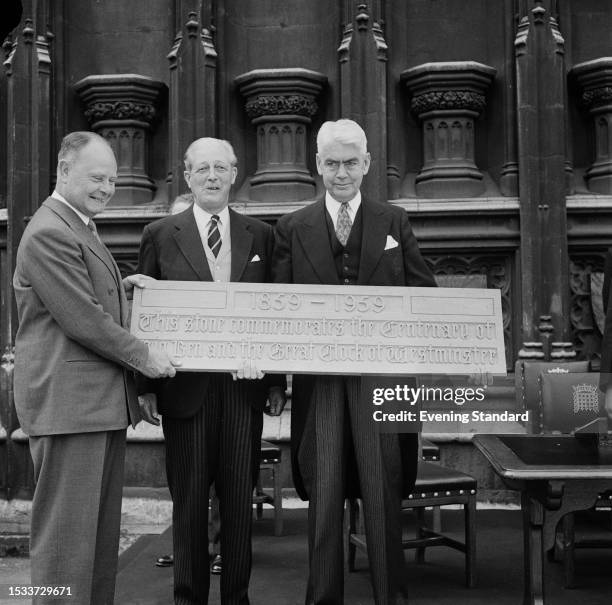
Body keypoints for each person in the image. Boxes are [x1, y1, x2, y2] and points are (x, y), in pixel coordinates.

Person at [272, 119, 437, 605]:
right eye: (331, 163)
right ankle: (322, 598)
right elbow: (275, 307)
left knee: (383, 495)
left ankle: (391, 595)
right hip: (320, 383)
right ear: (317, 166)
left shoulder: (395, 221)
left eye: (350, 163)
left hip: (381, 381)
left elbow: (422, 296)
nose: (341, 173)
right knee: (324, 499)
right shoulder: (291, 227)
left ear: (366, 164)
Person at [12, 131, 179, 605]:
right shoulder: (49, 230)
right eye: (96, 177)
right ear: (64, 171)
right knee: (65, 544)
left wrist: (128, 290)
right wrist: (146, 356)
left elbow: (87, 298)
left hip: (93, 406)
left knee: (95, 543)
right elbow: (82, 318)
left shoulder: (76, 223)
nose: (106, 187)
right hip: (70, 409)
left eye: (111, 178)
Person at [137, 137, 286, 605]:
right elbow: (147, 317)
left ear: (235, 172)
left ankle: (236, 597)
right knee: (188, 506)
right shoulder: (160, 234)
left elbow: (275, 310)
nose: (212, 177)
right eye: (202, 169)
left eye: (221, 167)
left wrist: (277, 380)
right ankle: (188, 597)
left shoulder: (261, 234)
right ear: (187, 175)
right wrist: (145, 386)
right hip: (185, 393)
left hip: (244, 392)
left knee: (239, 504)